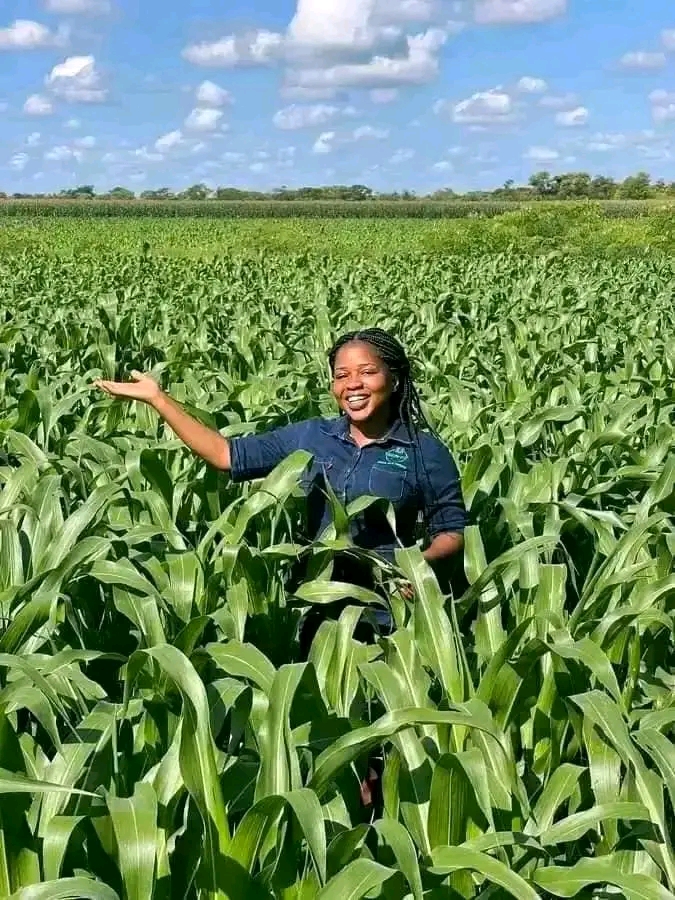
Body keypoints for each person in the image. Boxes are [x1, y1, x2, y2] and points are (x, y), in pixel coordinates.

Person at [94, 327, 467, 649]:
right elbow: (226, 454)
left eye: (367, 372)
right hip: (312, 608)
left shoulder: (425, 452)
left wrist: (413, 570)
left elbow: (450, 532)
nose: (353, 384)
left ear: (394, 378)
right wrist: (158, 399)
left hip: (387, 614)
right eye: (342, 375)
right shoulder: (311, 436)